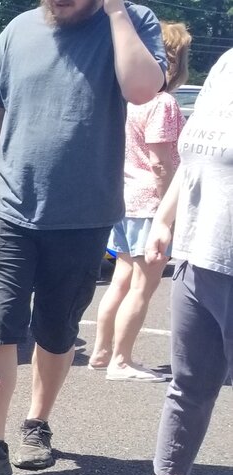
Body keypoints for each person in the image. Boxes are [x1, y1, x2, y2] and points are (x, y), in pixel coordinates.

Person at [0, 0, 167, 475]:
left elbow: (142, 89)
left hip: (83, 214)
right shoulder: (19, 28)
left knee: (57, 327)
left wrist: (115, 15)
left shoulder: (132, 22)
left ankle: (37, 424)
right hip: (9, 206)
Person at [118, 47, 233, 475]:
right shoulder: (226, 66)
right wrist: (165, 220)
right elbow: (192, 160)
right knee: (188, 385)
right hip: (197, 253)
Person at [90, 22, 193, 383]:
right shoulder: (162, 103)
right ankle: (121, 360)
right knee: (143, 286)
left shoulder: (126, 98)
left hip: (122, 198)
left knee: (122, 279)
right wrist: (171, 209)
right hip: (150, 202)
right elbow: (161, 162)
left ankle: (103, 352)